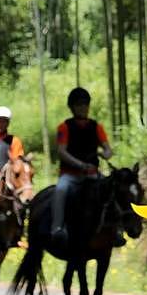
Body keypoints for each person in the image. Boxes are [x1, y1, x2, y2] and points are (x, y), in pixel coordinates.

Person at [50, 87, 121, 248]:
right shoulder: (64, 127)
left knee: (112, 190)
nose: (83, 108)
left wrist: (106, 154)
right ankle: (57, 229)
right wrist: (80, 164)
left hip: (93, 174)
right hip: (70, 174)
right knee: (60, 190)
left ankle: (115, 230)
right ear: (72, 107)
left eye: (85, 104)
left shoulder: (97, 127)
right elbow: (62, 152)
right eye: (79, 105)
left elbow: (108, 149)